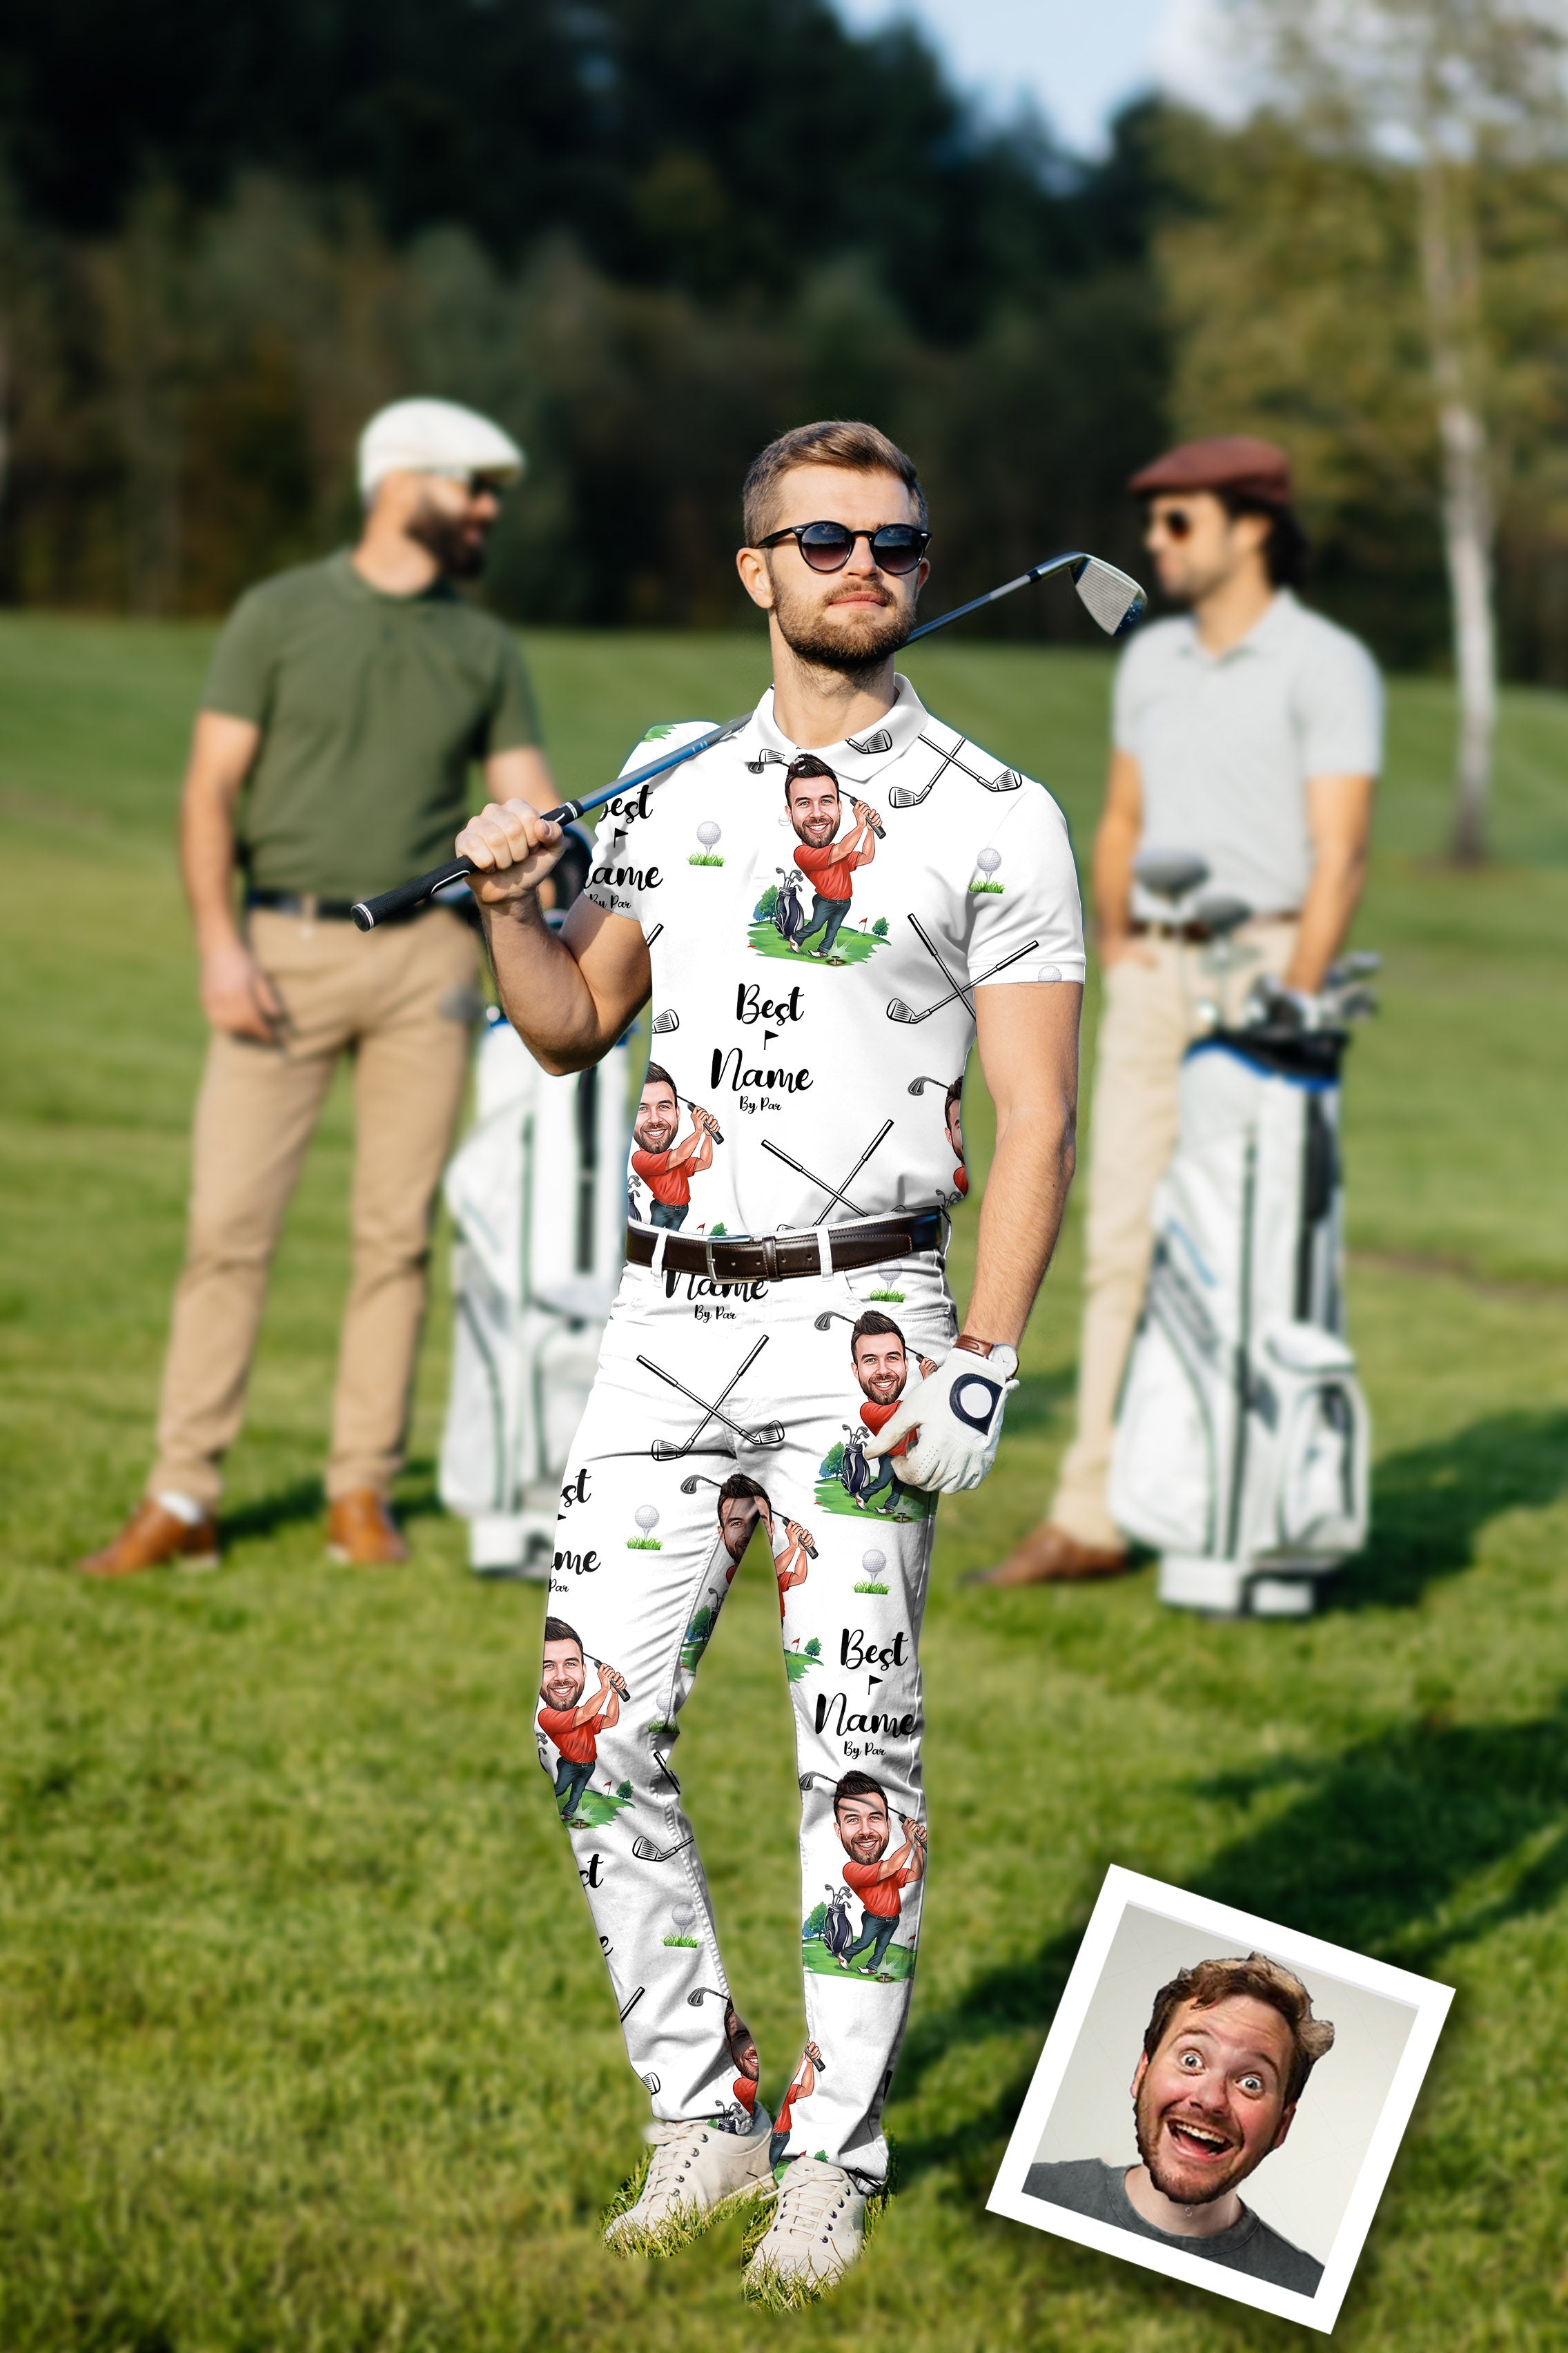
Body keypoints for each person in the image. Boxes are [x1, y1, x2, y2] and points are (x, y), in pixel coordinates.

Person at [453, 417, 1084, 2300]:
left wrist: (984, 1353)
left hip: (870, 1329)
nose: (865, 567)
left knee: (853, 1755)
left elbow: (1039, 1119)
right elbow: (571, 1025)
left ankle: (836, 2150)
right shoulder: (668, 783)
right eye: (824, 540)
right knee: (590, 1722)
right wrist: (507, 898)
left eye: (896, 540)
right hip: (667, 1325)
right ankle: (703, 2107)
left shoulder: (996, 809)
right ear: (759, 573)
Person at [77, 398, 557, 1576]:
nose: (489, 508)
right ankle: (183, 1493)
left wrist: (551, 875)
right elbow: (208, 792)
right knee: (226, 1230)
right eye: (472, 486)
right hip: (278, 949)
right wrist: (217, 946)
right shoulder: (277, 614)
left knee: (394, 1237)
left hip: (429, 966)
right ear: (401, 483)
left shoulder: (484, 645)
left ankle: (360, 1495)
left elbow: (534, 801)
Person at [983, 435, 1382, 1587]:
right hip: (1153, 973)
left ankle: (1244, 1505)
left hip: (1264, 970)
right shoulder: (1149, 658)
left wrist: (1293, 1003)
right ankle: (1093, 1511)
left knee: (1250, 1249)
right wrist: (1119, 940)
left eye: (1177, 521)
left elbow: (1341, 854)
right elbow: (1119, 818)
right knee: (1116, 1243)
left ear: (1251, 525)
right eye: (1149, 522)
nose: (1154, 543)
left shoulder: (1325, 661)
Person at [1024, 1952, 1335, 2297]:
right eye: (1192, 2060)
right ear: (1142, 2073)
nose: (1212, 2100)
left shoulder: (1308, 2292)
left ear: (1282, 2125)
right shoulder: (1030, 2193)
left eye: (1251, 2082)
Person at [831, 1773, 927, 1980]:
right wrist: (909, 1842)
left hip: (893, 1919)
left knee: (882, 1946)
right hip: (874, 1918)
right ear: (838, 1831)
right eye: (853, 1819)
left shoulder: (886, 1870)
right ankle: (844, 1955)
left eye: (874, 1817)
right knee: (865, 1942)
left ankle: (871, 1968)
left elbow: (915, 1874)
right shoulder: (852, 1870)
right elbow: (892, 1867)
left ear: (888, 1825)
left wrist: (918, 1847)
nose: (866, 1830)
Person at [536, 1617, 625, 1825]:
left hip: (589, 1765)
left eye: (570, 1663)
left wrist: (613, 1694)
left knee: (577, 1792)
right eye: (548, 1666)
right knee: (558, 1789)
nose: (561, 1676)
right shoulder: (547, 1716)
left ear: (584, 1670)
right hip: (569, 1765)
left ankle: (567, 1814)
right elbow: (585, 1714)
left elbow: (611, 1720)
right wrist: (603, 1688)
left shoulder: (581, 1716)